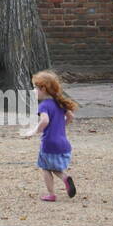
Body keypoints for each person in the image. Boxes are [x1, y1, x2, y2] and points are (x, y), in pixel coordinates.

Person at [20, 70, 78, 202]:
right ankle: (65, 179)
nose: (34, 91)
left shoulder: (44, 105)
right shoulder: (60, 103)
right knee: (53, 166)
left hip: (49, 143)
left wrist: (35, 131)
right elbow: (70, 116)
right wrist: (60, 126)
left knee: (45, 168)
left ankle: (52, 193)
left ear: (43, 89)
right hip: (64, 144)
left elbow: (44, 121)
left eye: (35, 88)